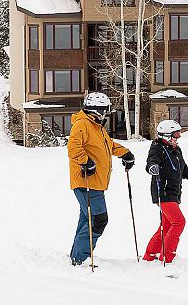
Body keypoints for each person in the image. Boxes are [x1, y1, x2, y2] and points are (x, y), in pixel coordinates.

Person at [67, 92, 135, 266]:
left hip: (95, 183)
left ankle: (76, 257)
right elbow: (73, 148)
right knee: (98, 220)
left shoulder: (97, 127)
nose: (106, 113)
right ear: (96, 110)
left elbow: (108, 145)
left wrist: (125, 153)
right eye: (105, 110)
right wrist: (85, 162)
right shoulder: (82, 124)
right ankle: (80, 259)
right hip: (86, 181)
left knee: (87, 219)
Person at [143, 119, 188, 263]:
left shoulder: (176, 150)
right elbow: (151, 162)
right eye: (176, 135)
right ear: (166, 136)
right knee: (179, 222)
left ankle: (150, 256)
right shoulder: (157, 148)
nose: (178, 138)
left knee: (167, 225)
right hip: (163, 192)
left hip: (173, 193)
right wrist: (152, 168)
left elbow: (184, 171)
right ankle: (167, 258)